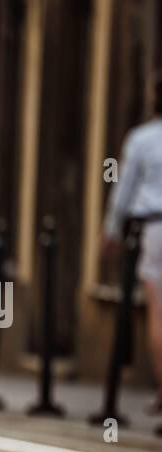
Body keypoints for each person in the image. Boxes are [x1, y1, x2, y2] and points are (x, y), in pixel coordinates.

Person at [104, 75, 162, 416]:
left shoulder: (142, 139)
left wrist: (111, 229)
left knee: (158, 311)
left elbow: (123, 188)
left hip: (155, 228)